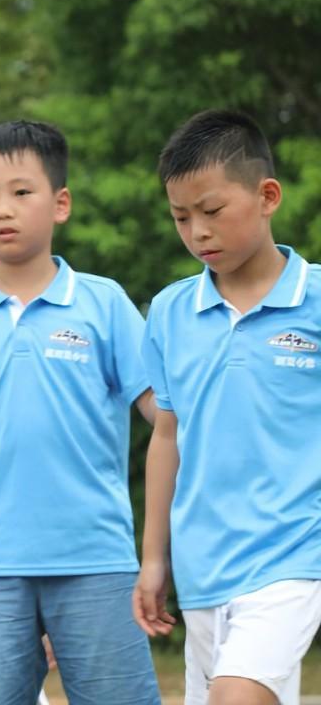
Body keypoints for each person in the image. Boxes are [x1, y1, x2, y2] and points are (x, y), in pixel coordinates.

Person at [0, 121, 160, 704]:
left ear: (61, 203)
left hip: (95, 557)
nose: (3, 208)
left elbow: (164, 415)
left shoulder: (103, 303)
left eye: (22, 192)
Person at [134, 109, 321, 705]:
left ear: (267, 196)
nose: (197, 232)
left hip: (294, 554)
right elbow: (167, 436)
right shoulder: (168, 311)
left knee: (236, 697)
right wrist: (153, 558)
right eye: (180, 218)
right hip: (203, 568)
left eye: (211, 212)